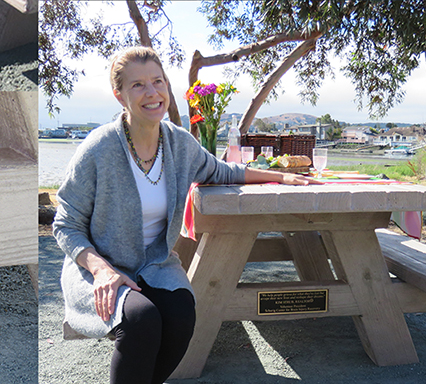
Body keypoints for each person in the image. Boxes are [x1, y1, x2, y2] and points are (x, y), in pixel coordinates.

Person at [53, 46, 309, 384]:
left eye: (158, 81)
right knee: (142, 321)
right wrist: (102, 271)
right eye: (138, 85)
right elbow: (65, 224)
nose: (152, 92)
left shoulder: (178, 143)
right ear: (120, 95)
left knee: (180, 317)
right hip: (99, 268)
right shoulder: (98, 148)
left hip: (153, 265)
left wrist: (281, 176)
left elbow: (222, 171)